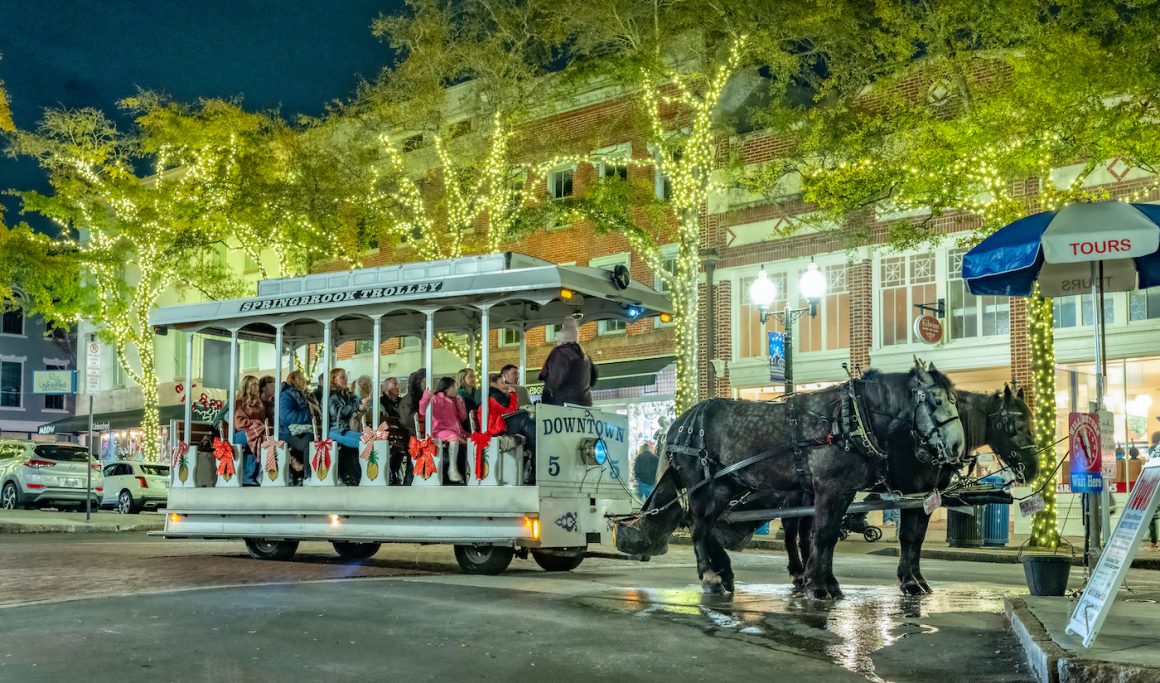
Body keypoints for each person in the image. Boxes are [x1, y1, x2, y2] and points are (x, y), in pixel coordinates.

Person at [538, 317, 598, 407]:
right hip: (585, 405)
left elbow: (555, 380)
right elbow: (593, 379)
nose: (556, 342)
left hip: (563, 406)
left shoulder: (560, 353)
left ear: (564, 339)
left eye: (558, 339)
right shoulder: (584, 356)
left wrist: (547, 396)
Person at [420, 377, 468, 483]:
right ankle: (452, 468)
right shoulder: (436, 398)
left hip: (452, 430)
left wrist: (461, 404)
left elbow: (463, 417)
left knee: (466, 439)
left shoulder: (453, 400)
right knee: (454, 438)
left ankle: (466, 472)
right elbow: (422, 410)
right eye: (454, 387)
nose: (456, 389)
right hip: (439, 430)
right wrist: (426, 397)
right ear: (447, 388)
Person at [327, 367, 366, 486]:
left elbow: (357, 403)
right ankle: (362, 474)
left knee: (365, 439)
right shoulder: (332, 396)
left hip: (346, 430)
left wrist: (362, 404)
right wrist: (357, 407)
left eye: (346, 377)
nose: (345, 380)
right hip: (336, 430)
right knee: (364, 440)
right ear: (334, 380)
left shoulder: (347, 394)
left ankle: (358, 474)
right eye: (342, 377)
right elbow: (338, 412)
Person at [278, 370, 318, 485]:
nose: (305, 381)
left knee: (313, 438)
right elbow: (286, 415)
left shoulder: (300, 394)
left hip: (298, 429)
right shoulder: (287, 394)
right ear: (295, 380)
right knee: (308, 441)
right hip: (286, 431)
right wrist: (308, 416)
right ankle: (308, 475)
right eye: (303, 379)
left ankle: (308, 473)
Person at [233, 375, 266, 486]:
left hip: (255, 433)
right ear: (247, 386)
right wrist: (254, 424)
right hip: (239, 434)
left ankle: (254, 474)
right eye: (254, 385)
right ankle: (248, 476)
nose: (257, 387)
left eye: (257, 384)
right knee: (256, 438)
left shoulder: (259, 403)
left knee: (262, 438)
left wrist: (258, 425)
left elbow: (261, 423)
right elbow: (239, 424)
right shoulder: (239, 402)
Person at [379, 377, 410, 485]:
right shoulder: (381, 402)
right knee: (399, 446)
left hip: (400, 435)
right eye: (395, 384)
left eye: (398, 384)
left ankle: (402, 474)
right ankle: (392, 473)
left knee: (408, 444)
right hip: (388, 435)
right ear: (386, 387)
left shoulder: (401, 401)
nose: (398, 386)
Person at [399, 369, 426, 439]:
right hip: (413, 439)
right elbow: (406, 422)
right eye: (425, 382)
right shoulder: (408, 400)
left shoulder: (420, 398)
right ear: (418, 383)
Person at [456, 368, 479, 432]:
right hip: (466, 426)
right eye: (470, 377)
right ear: (463, 379)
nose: (474, 379)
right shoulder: (460, 395)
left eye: (474, 376)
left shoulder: (476, 393)